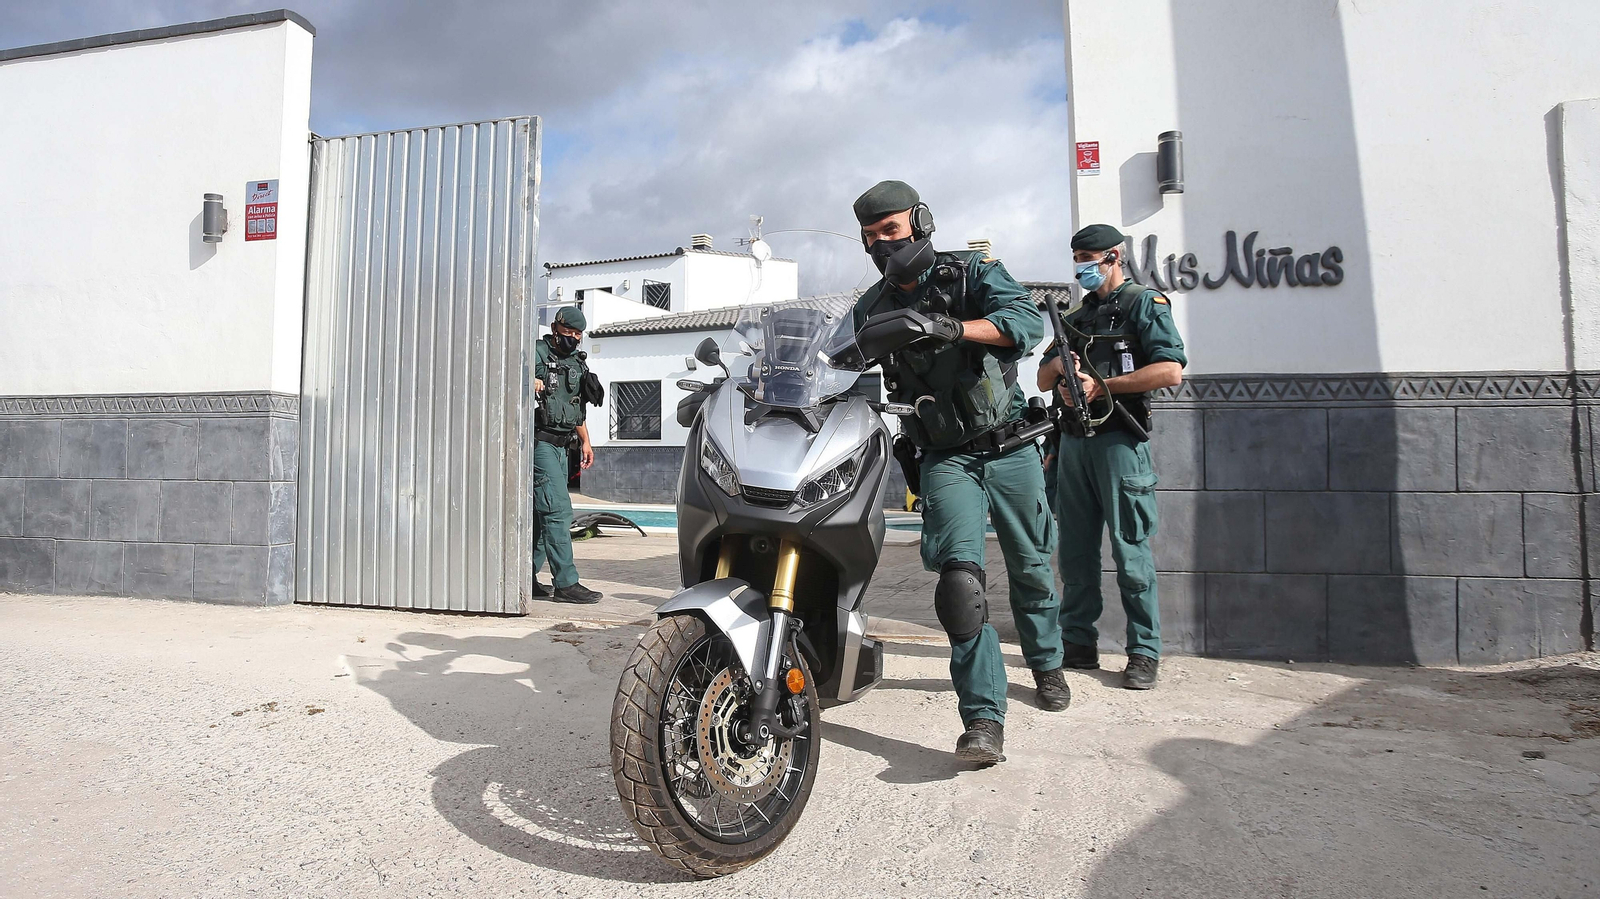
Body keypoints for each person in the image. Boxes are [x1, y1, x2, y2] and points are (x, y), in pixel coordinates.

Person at [850, 180, 1068, 766]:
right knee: (960, 584)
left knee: (1030, 567)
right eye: (870, 238)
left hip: (1010, 446)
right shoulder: (871, 308)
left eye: (890, 231)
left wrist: (951, 328)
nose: (882, 246)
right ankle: (982, 721)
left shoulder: (969, 275)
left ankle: (1046, 664)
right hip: (946, 457)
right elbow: (835, 365)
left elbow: (1025, 325)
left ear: (920, 222)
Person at [1037, 224, 1186, 689]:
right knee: (1076, 554)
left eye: (1088, 256)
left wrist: (1100, 385)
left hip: (1121, 440)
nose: (1081, 264)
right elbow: (1043, 379)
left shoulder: (1145, 303)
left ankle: (1143, 651)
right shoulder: (1077, 316)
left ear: (1114, 257)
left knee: (1130, 550)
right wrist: (1062, 370)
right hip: (1074, 444)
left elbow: (1170, 371)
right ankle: (1079, 641)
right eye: (1076, 256)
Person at [531, 306, 605, 604]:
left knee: (541, 515)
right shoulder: (535, 353)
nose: (573, 339)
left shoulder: (576, 362)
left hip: (564, 445)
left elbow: (577, 408)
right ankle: (566, 583)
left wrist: (586, 443)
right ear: (554, 328)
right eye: (569, 334)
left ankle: (525, 576)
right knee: (558, 512)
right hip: (540, 443)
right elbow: (506, 379)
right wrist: (528, 381)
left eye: (578, 335)